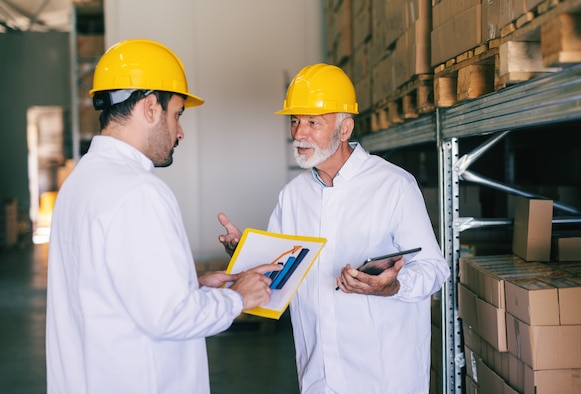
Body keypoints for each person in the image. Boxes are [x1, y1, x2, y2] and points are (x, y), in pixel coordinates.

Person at [45, 39, 281, 394]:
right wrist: (239, 298)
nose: (180, 131)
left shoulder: (81, 183)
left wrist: (192, 286)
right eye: (178, 114)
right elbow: (170, 316)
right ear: (151, 107)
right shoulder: (138, 191)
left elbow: (109, 289)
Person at [218, 63, 450, 393]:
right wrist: (246, 251)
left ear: (344, 129)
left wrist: (390, 286)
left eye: (313, 122)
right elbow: (277, 276)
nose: (299, 133)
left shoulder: (393, 186)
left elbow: (434, 269)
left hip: (384, 376)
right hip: (319, 375)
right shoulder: (293, 195)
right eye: (295, 120)